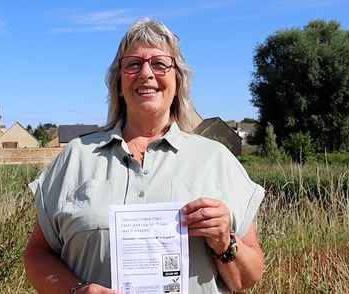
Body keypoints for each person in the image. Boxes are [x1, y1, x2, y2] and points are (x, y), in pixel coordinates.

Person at [24, 17, 265, 293]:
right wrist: (77, 290)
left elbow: (246, 280)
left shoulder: (216, 159)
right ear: (118, 84)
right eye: (133, 64)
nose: (146, 74)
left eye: (160, 63)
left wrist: (225, 242)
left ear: (178, 82)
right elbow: (37, 255)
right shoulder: (75, 158)